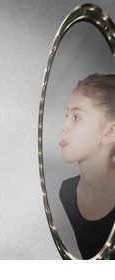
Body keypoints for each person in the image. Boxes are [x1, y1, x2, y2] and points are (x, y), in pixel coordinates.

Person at [59, 73, 115, 259]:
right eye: (66, 114)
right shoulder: (66, 192)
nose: (63, 125)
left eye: (76, 117)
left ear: (110, 132)